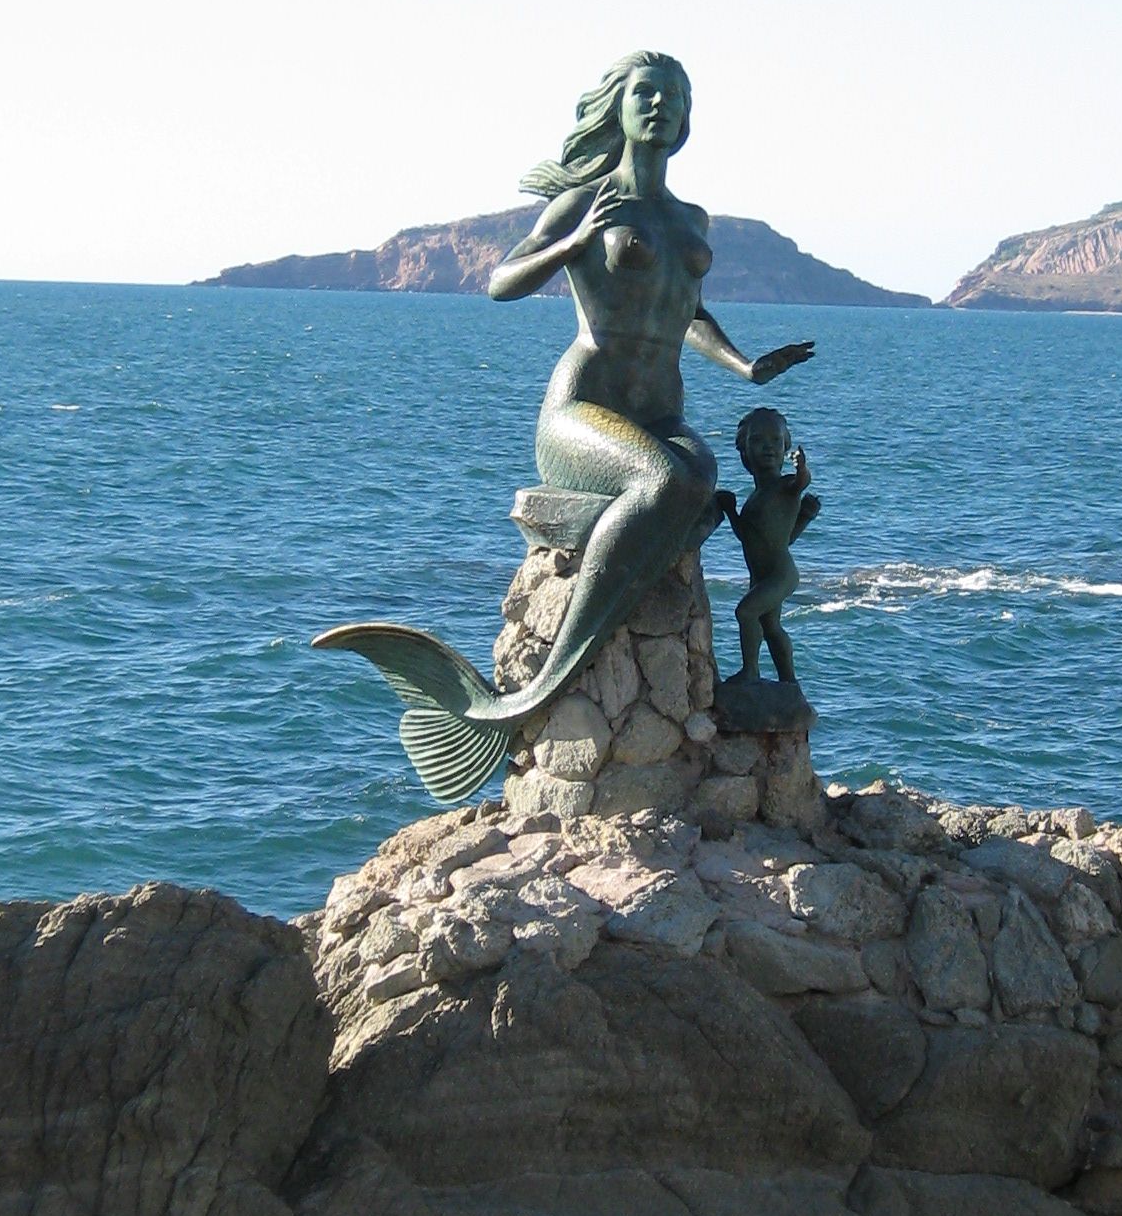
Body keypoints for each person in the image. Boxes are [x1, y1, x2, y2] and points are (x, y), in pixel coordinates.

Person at [318, 51, 813, 799]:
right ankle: (543, 685)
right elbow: (500, 282)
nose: (660, 105)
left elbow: (686, 312)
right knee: (665, 481)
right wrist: (571, 246)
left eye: (674, 96)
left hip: (661, 412)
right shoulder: (585, 201)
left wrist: (745, 367)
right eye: (645, 93)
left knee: (699, 478)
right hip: (583, 409)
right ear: (618, 108)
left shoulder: (690, 220)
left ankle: (534, 688)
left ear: (687, 117)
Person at [717, 408, 820, 682]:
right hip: (760, 574)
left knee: (746, 612)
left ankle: (750, 671)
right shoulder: (757, 495)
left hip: (780, 573)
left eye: (776, 440)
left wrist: (802, 468)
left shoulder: (785, 486)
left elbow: (801, 482)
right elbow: (750, 536)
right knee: (770, 626)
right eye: (758, 440)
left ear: (785, 447)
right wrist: (730, 511)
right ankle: (788, 680)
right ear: (744, 449)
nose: (768, 447)